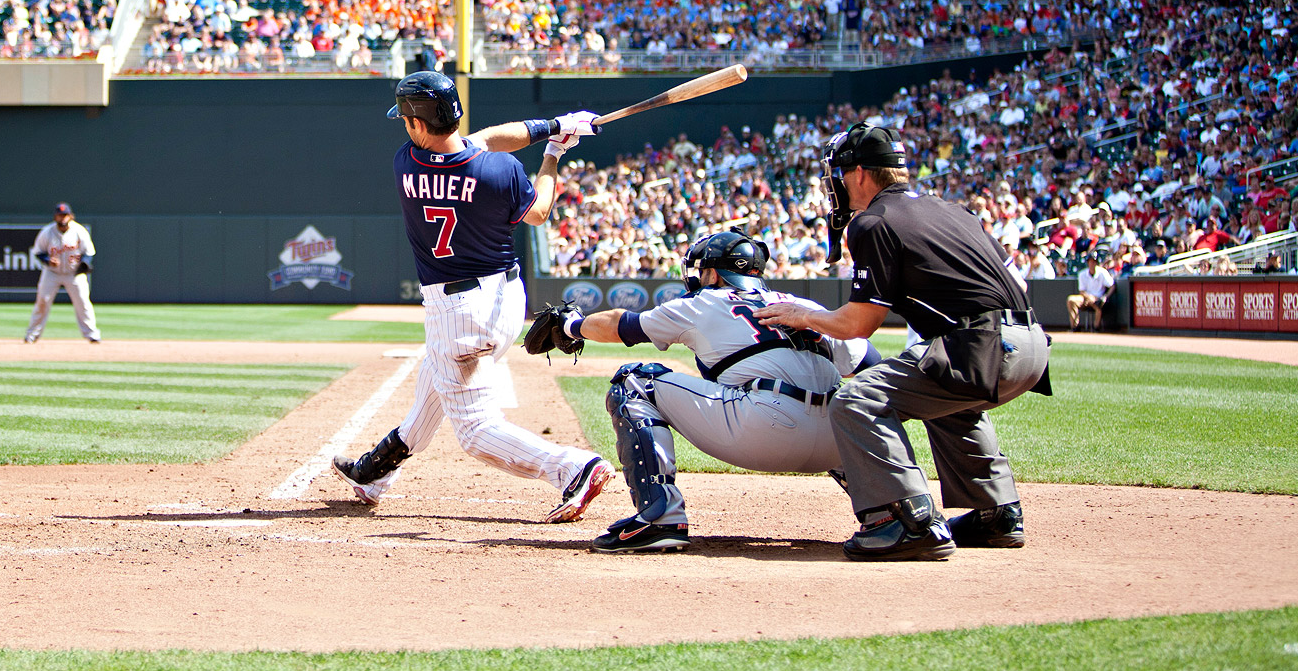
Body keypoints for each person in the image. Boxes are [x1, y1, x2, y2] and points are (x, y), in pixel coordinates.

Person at [755, 123, 1051, 561]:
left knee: (855, 401)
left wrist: (804, 315)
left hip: (982, 347)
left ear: (858, 174)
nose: (833, 187)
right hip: (1032, 346)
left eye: (836, 175)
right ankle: (997, 513)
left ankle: (909, 521)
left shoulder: (873, 222)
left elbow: (859, 324)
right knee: (946, 394)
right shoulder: (954, 210)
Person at [332, 71, 617, 523]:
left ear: (421, 125)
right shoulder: (500, 170)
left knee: (475, 431)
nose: (405, 126)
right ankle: (374, 472)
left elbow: (478, 141)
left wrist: (553, 127)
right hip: (506, 302)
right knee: (433, 385)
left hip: (456, 312)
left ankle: (573, 468)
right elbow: (539, 211)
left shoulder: (406, 162)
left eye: (408, 118)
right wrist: (553, 150)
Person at [523, 230, 886, 553]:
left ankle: (659, 515)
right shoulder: (804, 306)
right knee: (841, 405)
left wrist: (571, 325)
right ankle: (888, 511)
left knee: (634, 381)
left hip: (763, 429)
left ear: (713, 272)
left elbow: (622, 325)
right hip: (836, 444)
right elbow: (872, 366)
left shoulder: (704, 303)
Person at [24, 202, 100, 344]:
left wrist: (85, 262)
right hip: (52, 273)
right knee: (42, 301)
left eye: (65, 215)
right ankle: (32, 334)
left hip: (74, 273)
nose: (62, 217)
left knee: (83, 302)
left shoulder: (79, 231)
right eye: (60, 214)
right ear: (55, 216)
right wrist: (47, 260)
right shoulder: (47, 232)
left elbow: (89, 252)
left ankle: (92, 334)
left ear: (71, 216)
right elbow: (38, 252)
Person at [1068, 252, 1114, 329]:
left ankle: (1096, 328)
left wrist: (1105, 296)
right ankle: (1075, 327)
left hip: (1098, 298)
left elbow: (1112, 285)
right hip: (1085, 297)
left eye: (1094, 261)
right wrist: (1089, 297)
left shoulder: (1102, 272)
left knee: (1098, 304)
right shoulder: (1082, 274)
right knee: (1071, 300)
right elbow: (1082, 291)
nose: (1092, 264)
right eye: (1090, 261)